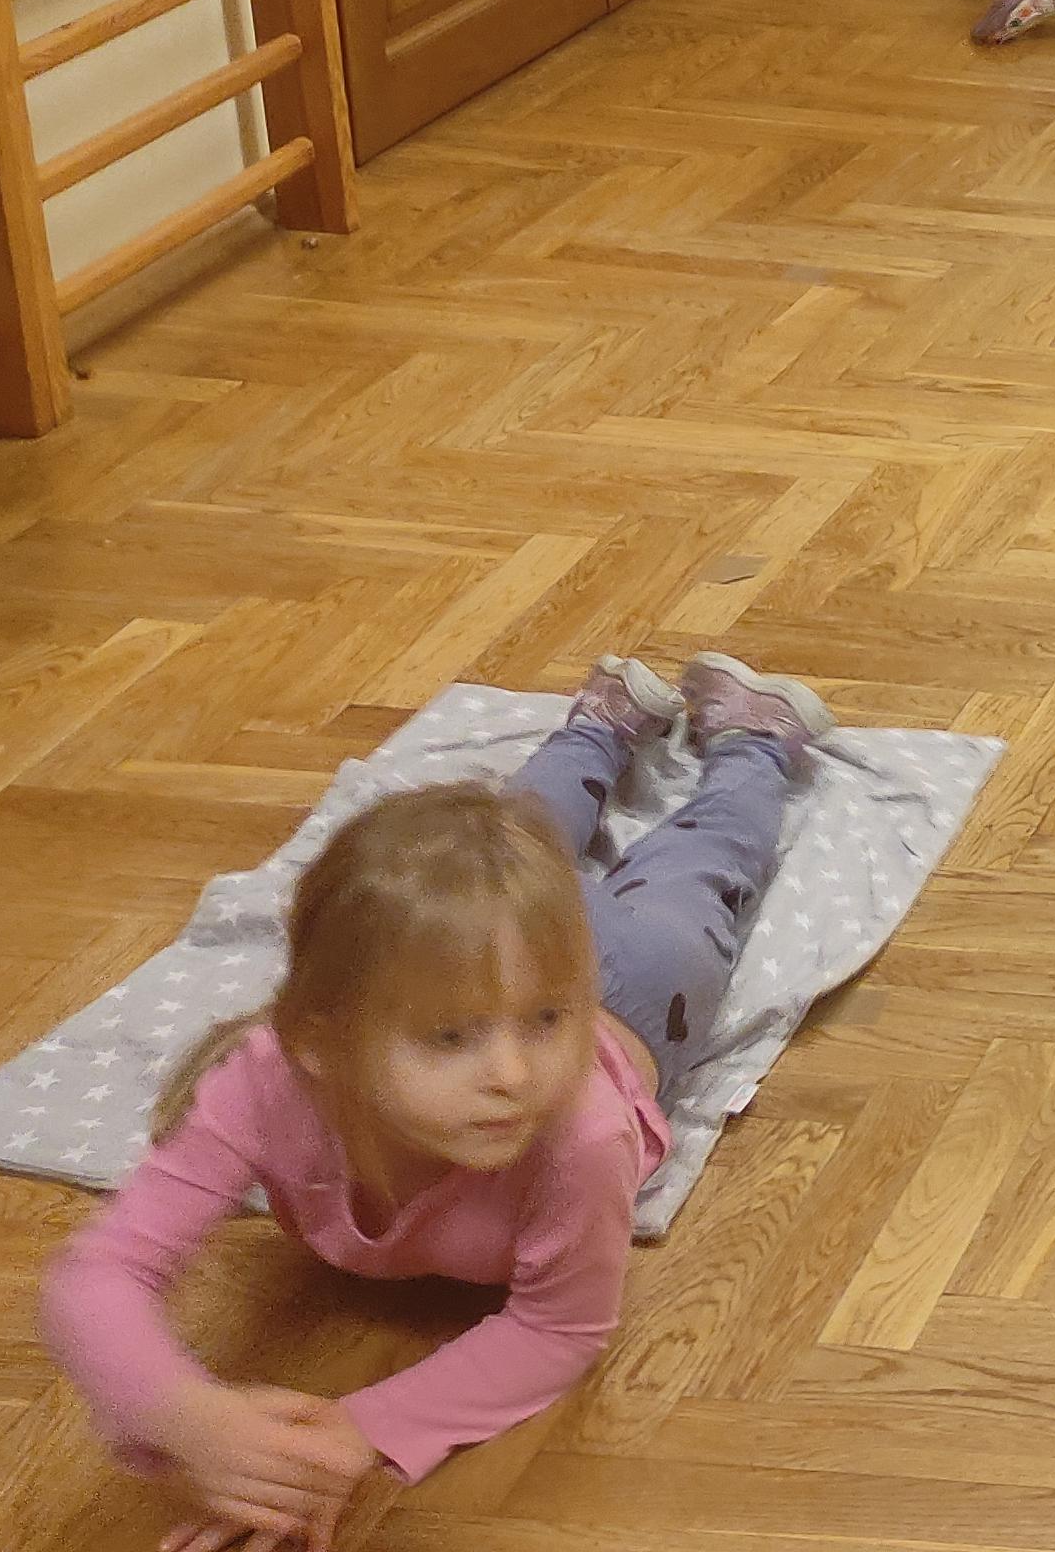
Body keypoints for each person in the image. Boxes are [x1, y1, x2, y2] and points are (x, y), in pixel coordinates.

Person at [41, 656, 834, 1546]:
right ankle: (601, 728)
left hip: (641, 982)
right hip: (508, 954)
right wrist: (183, 1417)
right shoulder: (268, 1078)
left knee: (698, 857)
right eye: (451, 1037)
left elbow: (560, 1329)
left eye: (545, 1023)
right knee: (508, 837)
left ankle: (754, 741)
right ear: (325, 1040)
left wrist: (362, 1430)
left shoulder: (581, 1134)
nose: (514, 1075)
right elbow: (97, 1277)